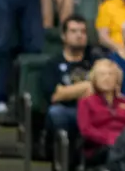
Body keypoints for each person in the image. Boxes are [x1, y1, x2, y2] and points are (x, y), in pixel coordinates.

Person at [41, 14, 96, 149]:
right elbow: (55, 95)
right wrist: (87, 86)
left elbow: (104, 90)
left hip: (93, 111)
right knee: (56, 113)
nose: (79, 35)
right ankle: (65, 157)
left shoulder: (95, 60)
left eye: (83, 32)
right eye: (73, 31)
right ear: (63, 36)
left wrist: (68, 91)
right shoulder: (53, 63)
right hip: (68, 111)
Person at [76, 58, 125, 164]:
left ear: (117, 79)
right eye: (102, 74)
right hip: (99, 148)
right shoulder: (86, 102)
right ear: (95, 79)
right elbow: (86, 130)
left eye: (111, 74)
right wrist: (110, 139)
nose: (107, 78)